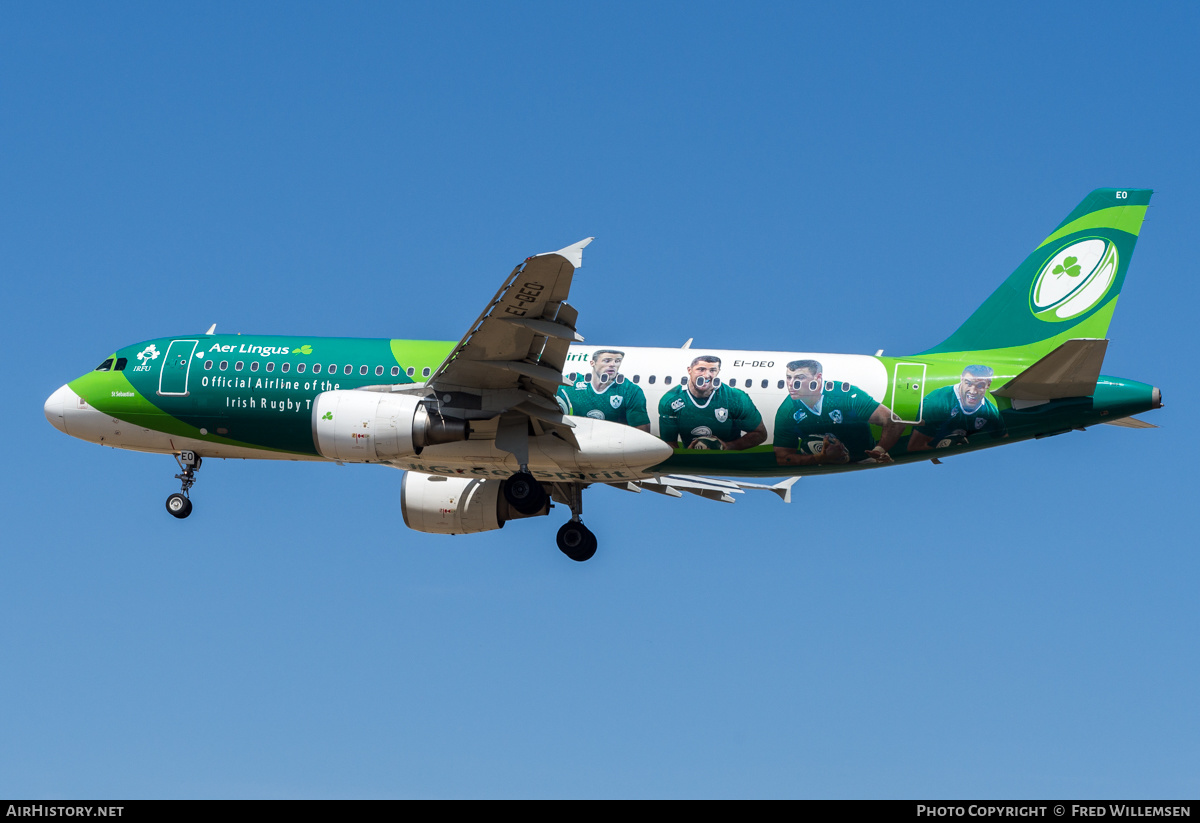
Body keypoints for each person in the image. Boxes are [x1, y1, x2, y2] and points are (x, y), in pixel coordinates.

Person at [773, 359, 905, 466]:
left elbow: (894, 422)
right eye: (788, 378)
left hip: (867, 461)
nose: (791, 384)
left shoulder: (845, 395)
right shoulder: (787, 411)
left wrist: (879, 451)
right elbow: (783, 458)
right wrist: (820, 457)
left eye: (799, 378)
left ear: (817, 378)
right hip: (824, 466)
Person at [658, 355, 767, 450]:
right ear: (689, 370)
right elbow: (669, 443)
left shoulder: (736, 398)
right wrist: (687, 455)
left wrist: (729, 447)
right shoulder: (670, 400)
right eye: (701, 369)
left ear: (718, 371)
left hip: (728, 460)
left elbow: (760, 434)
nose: (706, 375)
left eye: (712, 370)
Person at [907, 364, 1005, 451]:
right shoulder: (937, 401)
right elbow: (914, 447)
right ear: (961, 379)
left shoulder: (990, 412)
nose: (973, 391)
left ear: (988, 384)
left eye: (980, 385)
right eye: (968, 383)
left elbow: (1005, 441)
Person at [556, 350, 650, 431]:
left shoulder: (630, 390)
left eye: (617, 361)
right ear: (592, 363)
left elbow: (643, 431)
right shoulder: (570, 384)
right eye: (607, 361)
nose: (613, 365)